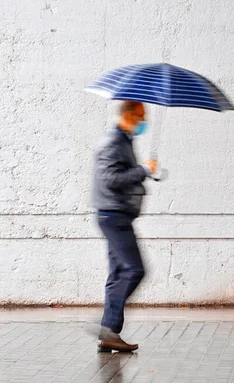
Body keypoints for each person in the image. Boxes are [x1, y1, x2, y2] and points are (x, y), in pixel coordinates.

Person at [92, 100, 157, 352]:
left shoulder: (124, 141)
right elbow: (110, 179)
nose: (144, 121)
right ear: (129, 115)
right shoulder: (113, 142)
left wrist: (144, 172)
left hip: (117, 214)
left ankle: (109, 334)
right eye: (141, 116)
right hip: (113, 215)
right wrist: (142, 170)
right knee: (133, 270)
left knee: (118, 274)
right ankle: (108, 326)